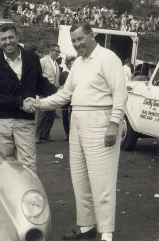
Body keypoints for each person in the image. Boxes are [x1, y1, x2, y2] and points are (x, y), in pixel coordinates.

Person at [23, 22, 127, 241]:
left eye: (80, 39)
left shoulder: (108, 58)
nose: (77, 44)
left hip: (101, 122)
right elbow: (64, 94)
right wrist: (38, 103)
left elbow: (120, 94)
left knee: (102, 181)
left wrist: (114, 123)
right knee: (80, 179)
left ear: (92, 35)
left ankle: (106, 233)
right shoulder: (78, 63)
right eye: (74, 41)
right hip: (78, 123)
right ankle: (86, 229)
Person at [0, 23, 57, 172]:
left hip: (25, 120)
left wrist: (59, 92)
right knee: (5, 167)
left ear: (17, 37)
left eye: (11, 37)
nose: (8, 41)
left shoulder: (32, 58)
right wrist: (20, 102)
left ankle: (29, 195)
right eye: (3, 39)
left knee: (28, 166)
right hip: (2, 121)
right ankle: (9, 195)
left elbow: (40, 83)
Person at [36, 43, 61, 144]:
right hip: (45, 91)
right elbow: (37, 75)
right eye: (57, 51)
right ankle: (37, 135)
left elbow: (56, 80)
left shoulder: (56, 64)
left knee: (51, 114)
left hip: (54, 92)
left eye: (59, 52)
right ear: (51, 51)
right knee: (42, 114)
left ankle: (45, 134)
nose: (58, 54)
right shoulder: (43, 61)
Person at [58, 55, 76, 141]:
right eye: (70, 64)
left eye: (73, 64)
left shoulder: (77, 73)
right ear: (67, 65)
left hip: (75, 98)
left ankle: (73, 135)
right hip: (65, 97)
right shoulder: (63, 74)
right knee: (65, 116)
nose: (71, 65)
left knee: (73, 116)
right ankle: (67, 134)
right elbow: (61, 85)